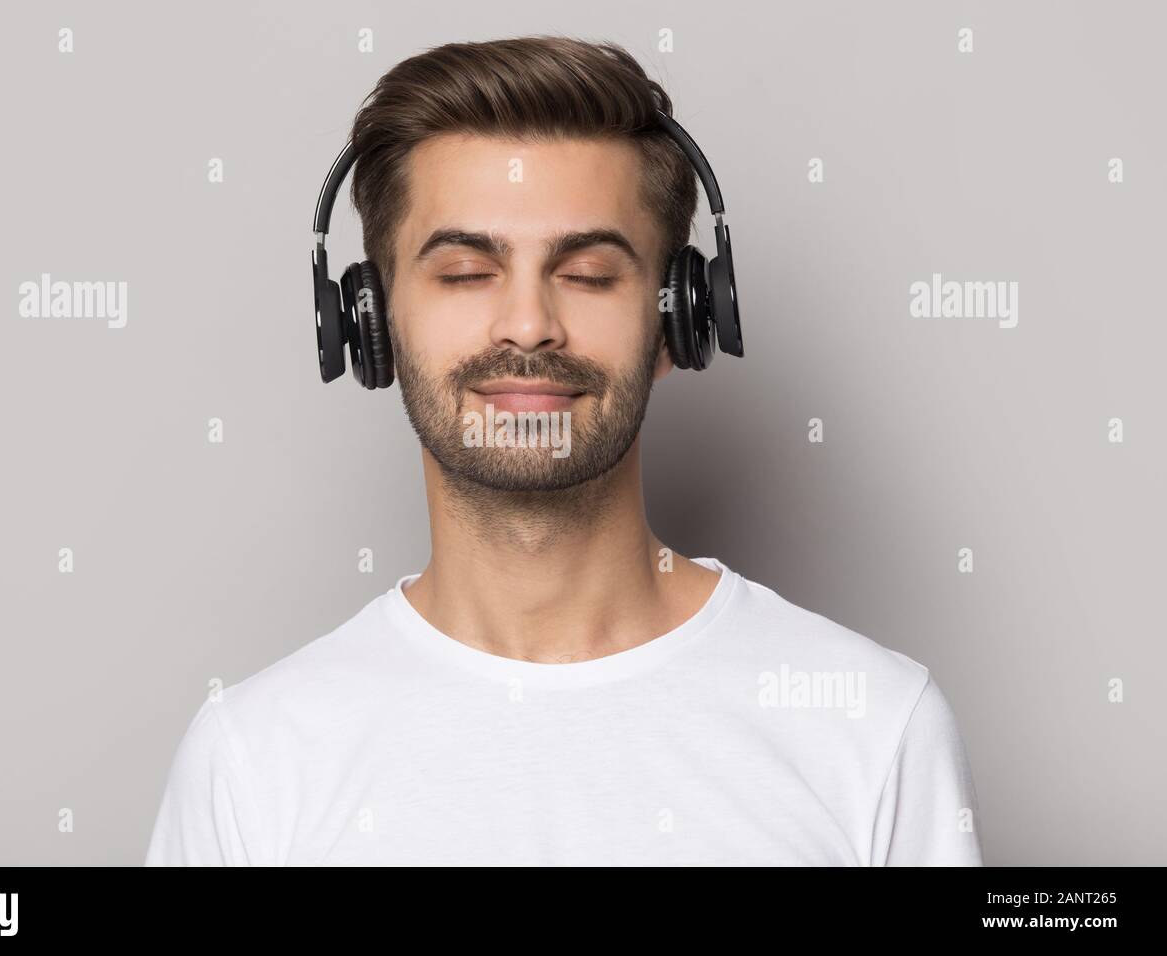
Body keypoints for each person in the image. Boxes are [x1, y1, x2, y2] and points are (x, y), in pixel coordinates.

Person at [145, 35, 983, 866]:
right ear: (369, 322)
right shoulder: (250, 761)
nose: (528, 325)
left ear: (681, 320)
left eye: (587, 274)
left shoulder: (873, 727)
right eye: (467, 272)